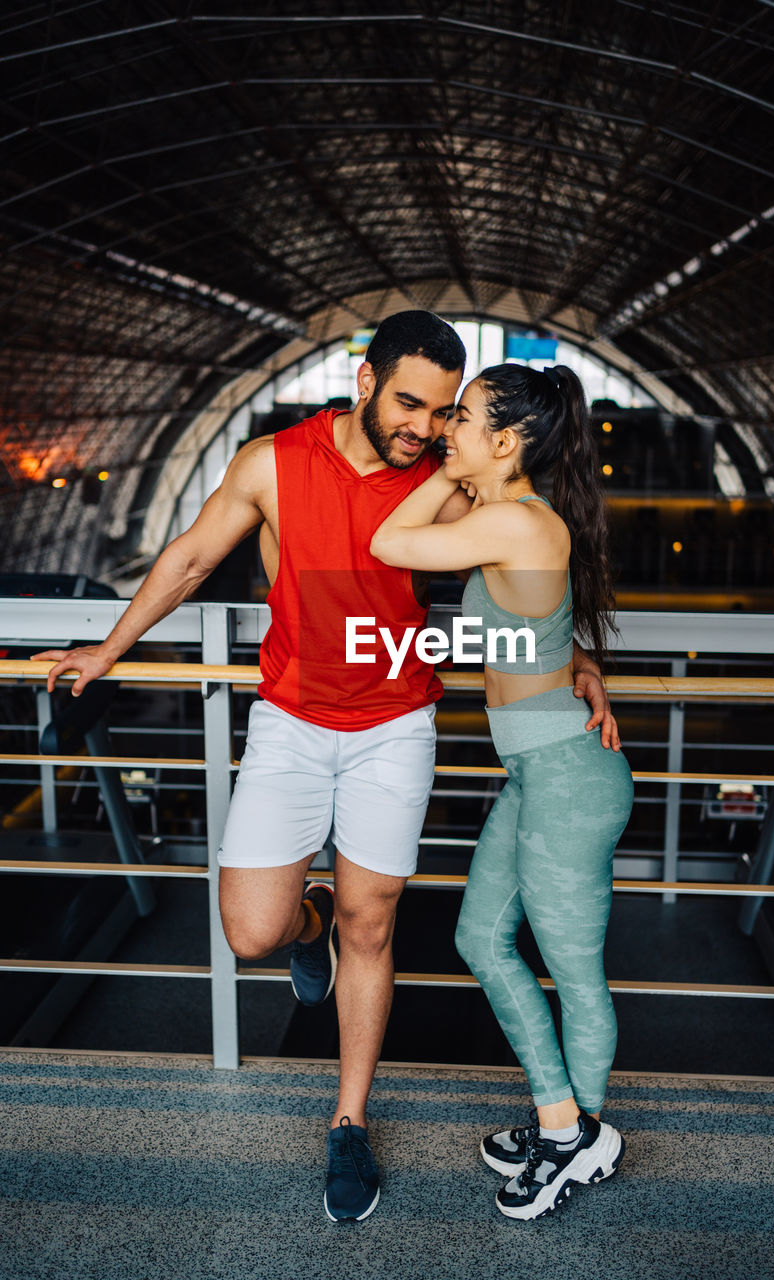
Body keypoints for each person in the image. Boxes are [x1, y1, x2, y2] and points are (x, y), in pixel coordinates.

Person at [32, 314, 618, 1223]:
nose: (423, 426)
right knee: (252, 933)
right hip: (290, 723)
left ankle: (349, 1121)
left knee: (372, 923)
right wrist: (108, 648)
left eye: (441, 412)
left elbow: (527, 563)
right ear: (366, 379)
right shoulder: (274, 460)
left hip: (396, 724)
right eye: (409, 403)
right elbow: (190, 559)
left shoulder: (443, 472)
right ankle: (308, 933)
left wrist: (577, 654)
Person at [371, 361, 633, 1221]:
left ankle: (571, 1135)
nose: (445, 426)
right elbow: (535, 623)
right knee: (480, 937)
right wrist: (581, 665)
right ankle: (567, 1121)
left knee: (572, 971)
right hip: (537, 768)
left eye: (464, 416)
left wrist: (445, 469)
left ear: (508, 441)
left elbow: (389, 543)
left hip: (568, 776)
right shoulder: (501, 517)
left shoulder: (518, 525)